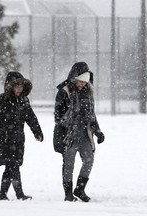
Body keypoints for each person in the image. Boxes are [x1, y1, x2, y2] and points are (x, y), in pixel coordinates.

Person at [0, 71, 44, 201]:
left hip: (18, 139)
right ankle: (18, 194)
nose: (19, 89)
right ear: (9, 87)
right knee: (12, 165)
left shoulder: (24, 100)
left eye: (21, 86)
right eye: (16, 86)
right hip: (3, 139)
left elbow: (31, 118)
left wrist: (37, 132)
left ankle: (4, 195)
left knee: (13, 166)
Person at [53, 62, 105, 202]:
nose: (82, 84)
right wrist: (72, 117)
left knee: (89, 160)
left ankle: (80, 189)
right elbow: (58, 117)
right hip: (68, 135)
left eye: (84, 82)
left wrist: (98, 131)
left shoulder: (88, 93)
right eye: (80, 81)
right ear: (74, 78)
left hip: (84, 133)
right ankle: (68, 194)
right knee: (68, 164)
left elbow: (92, 115)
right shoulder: (64, 92)